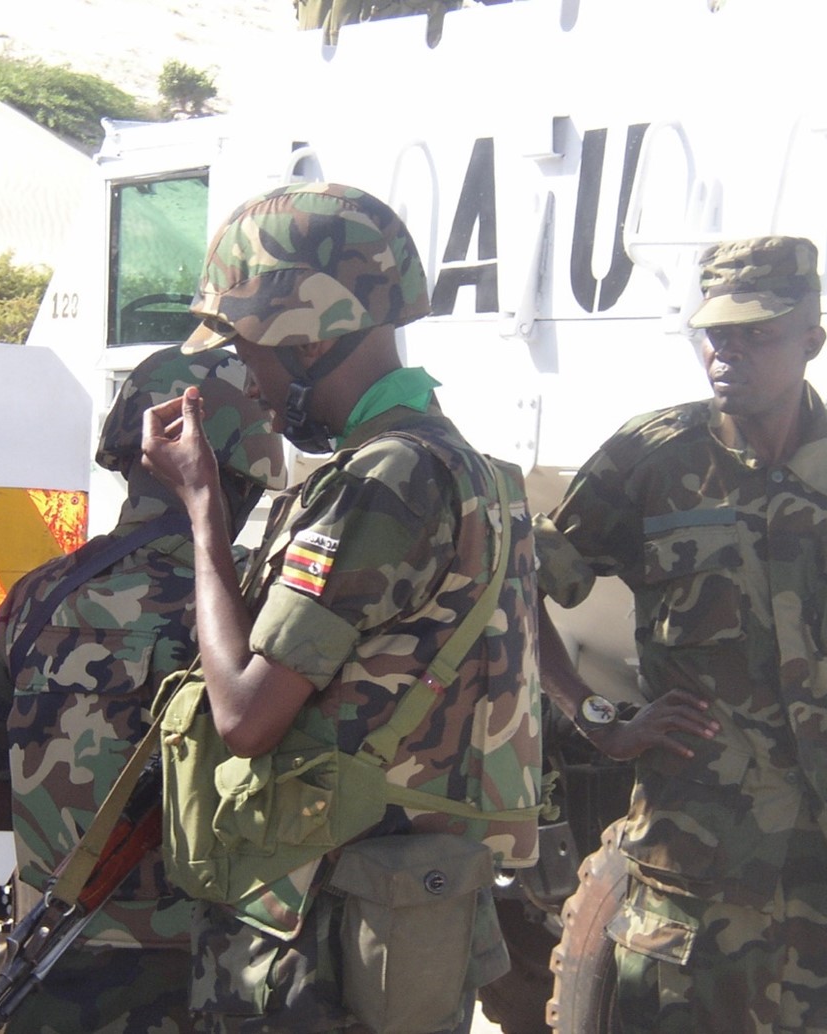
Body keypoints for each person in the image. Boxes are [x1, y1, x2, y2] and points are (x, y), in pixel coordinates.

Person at [140, 181, 544, 1034]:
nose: (247, 380)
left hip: (318, 927)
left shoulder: (383, 478)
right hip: (385, 912)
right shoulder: (469, 469)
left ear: (307, 337)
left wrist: (204, 509)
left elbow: (247, 716)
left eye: (250, 349)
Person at [532, 236, 827, 1033]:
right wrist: (596, 718)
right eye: (713, 333)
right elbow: (511, 587)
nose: (725, 352)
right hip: (693, 884)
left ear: (810, 340)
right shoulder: (652, 459)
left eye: (756, 334)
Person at [0, 345, 286, 1034]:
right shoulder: (259, 605)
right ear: (249, 470)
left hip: (54, 965)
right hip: (215, 972)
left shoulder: (40, 596)